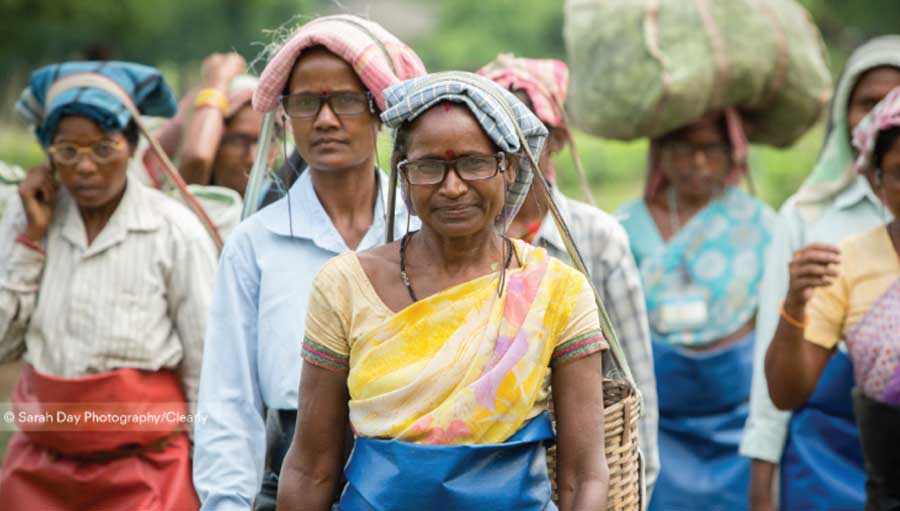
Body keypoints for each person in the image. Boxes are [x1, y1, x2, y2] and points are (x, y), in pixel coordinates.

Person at [277, 71, 609, 511]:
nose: (452, 187)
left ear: (508, 169)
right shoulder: (345, 286)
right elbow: (311, 465)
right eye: (430, 167)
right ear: (405, 177)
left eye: (473, 163)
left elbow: (583, 475)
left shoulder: (558, 291)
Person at [191, 15, 426, 511]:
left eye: (343, 100)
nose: (324, 120)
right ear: (286, 115)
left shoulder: (421, 232)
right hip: (289, 485)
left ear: (380, 110)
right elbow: (229, 401)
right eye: (305, 103)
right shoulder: (256, 243)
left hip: (417, 480)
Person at [0, 61, 216, 510]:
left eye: (103, 148)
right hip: (39, 473)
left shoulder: (174, 231)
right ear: (47, 152)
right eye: (66, 151)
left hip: (146, 474)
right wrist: (29, 243)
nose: (84, 167)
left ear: (133, 146)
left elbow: (205, 367)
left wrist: (209, 470)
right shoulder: (29, 222)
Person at [478, 54, 659, 495]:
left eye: (527, 129)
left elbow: (633, 379)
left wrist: (639, 481)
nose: (512, 145)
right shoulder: (453, 242)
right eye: (496, 129)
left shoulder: (597, 239)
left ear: (555, 138)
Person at [741, 36, 900, 511]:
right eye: (899, 174)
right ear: (876, 179)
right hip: (843, 458)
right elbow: (785, 389)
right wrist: (795, 301)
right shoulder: (838, 252)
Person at [617, 110, 774, 511]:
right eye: (684, 149)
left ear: (732, 154)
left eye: (711, 149)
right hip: (654, 421)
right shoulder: (624, 226)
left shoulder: (758, 225)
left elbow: (771, 324)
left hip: (737, 421)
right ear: (661, 153)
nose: (698, 163)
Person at [143, 52, 279, 239]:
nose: (253, 158)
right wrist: (218, 83)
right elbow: (198, 157)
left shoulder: (283, 206)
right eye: (237, 141)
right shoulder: (182, 209)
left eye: (265, 142)